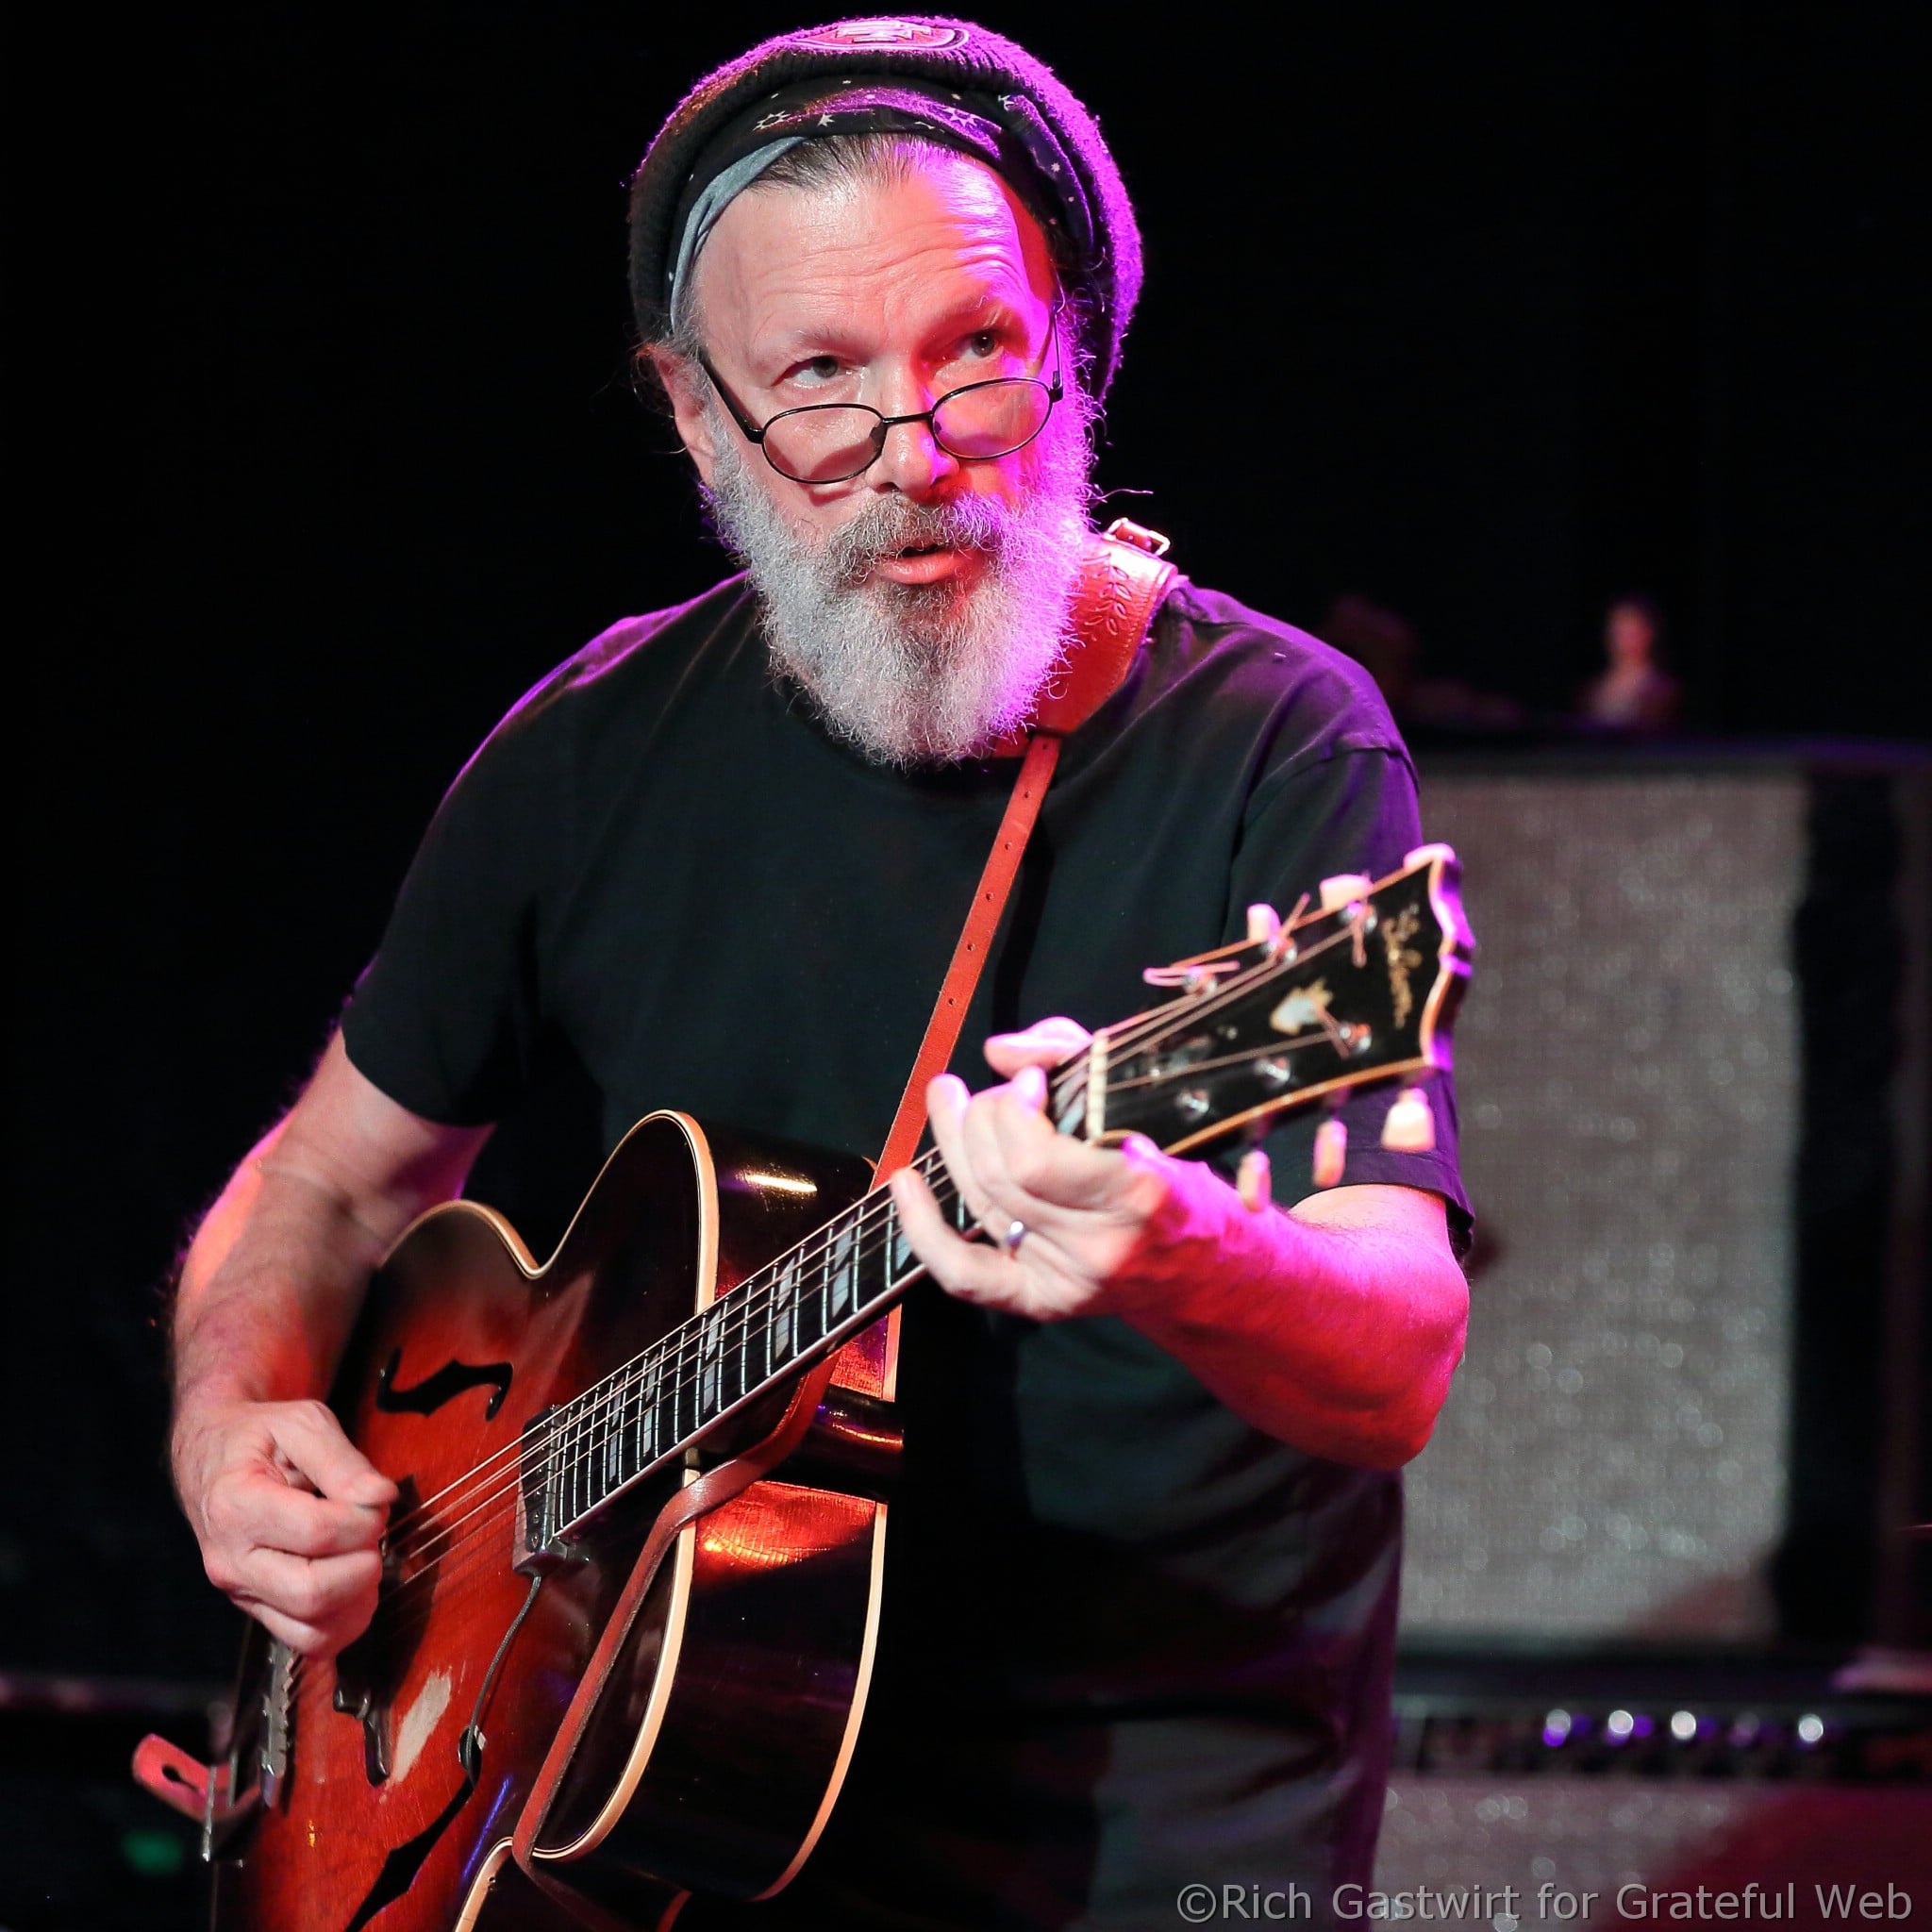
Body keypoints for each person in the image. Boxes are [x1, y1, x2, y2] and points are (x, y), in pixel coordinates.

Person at [167, 19, 1471, 1927]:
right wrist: (226, 1412)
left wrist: (1183, 1246)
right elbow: (329, 1182)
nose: (917, 462)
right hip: (626, 1784)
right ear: (697, 418)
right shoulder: (592, 749)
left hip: (1146, 1820)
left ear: (1071, 360)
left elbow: (1396, 1354)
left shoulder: (1277, 743)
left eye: (975, 366)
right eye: (822, 389)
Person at [1576, 592, 1682, 730]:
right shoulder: (1592, 689)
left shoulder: (1661, 689)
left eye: (1631, 629)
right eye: (1618, 628)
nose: (1622, 637)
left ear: (1649, 633)